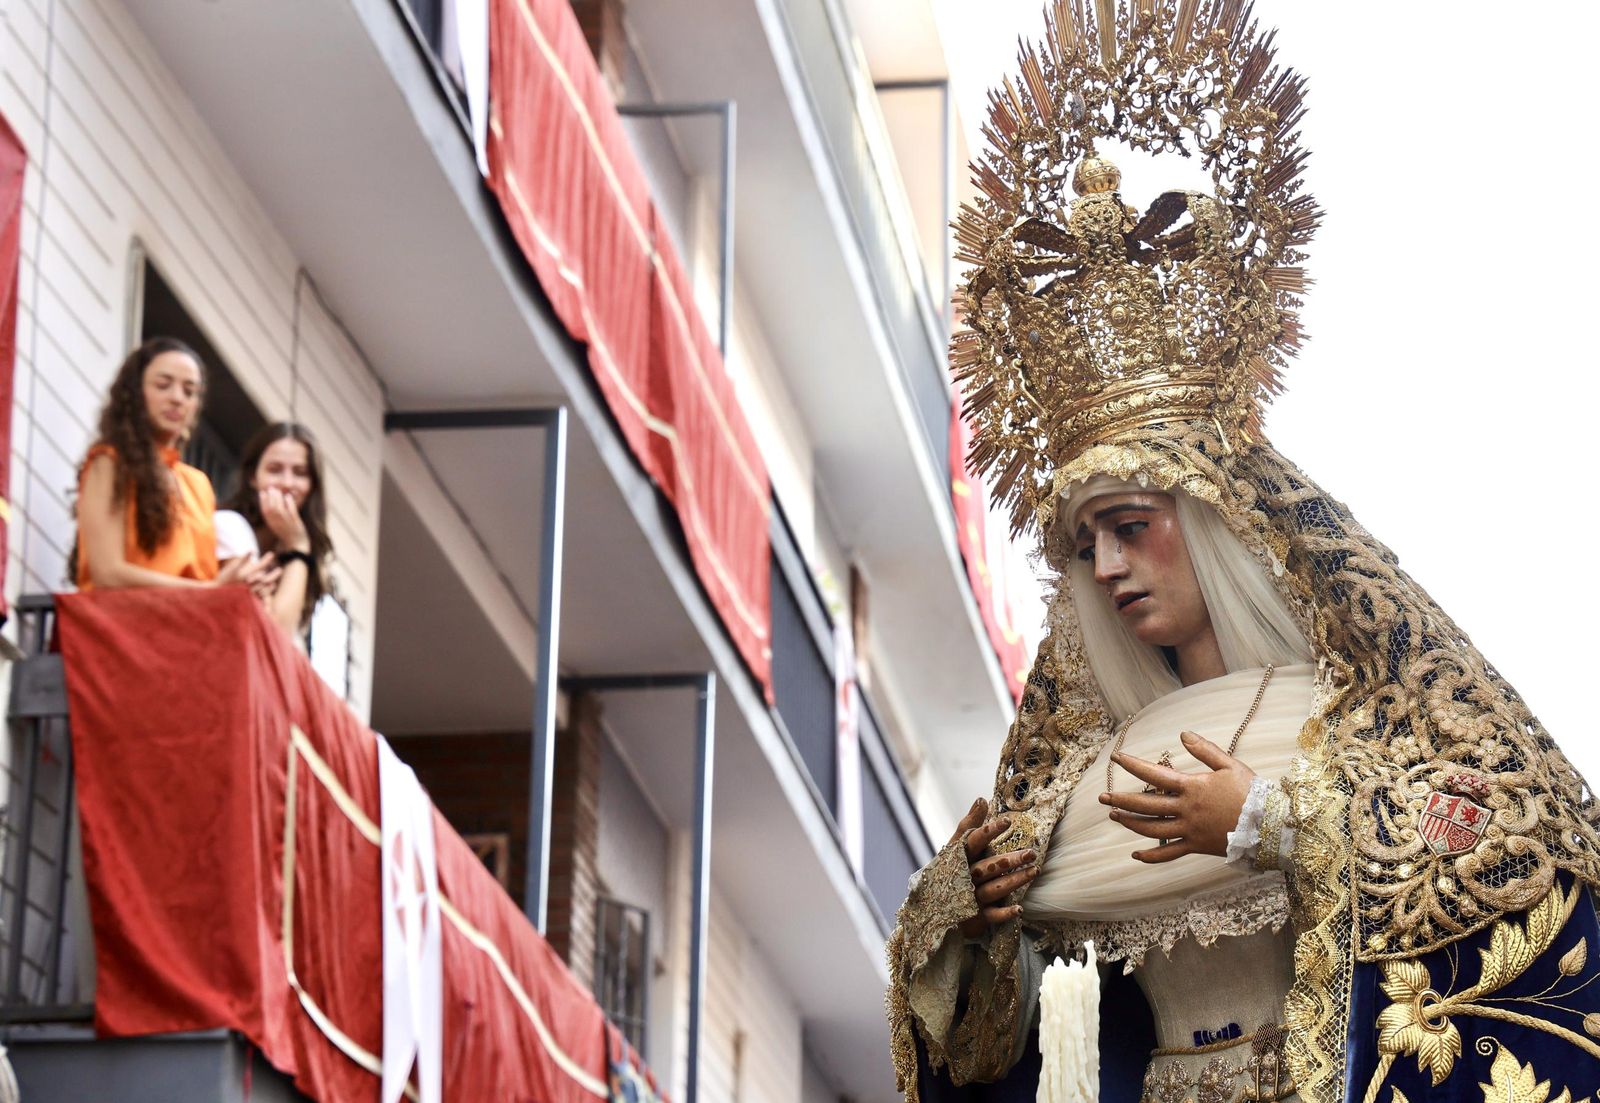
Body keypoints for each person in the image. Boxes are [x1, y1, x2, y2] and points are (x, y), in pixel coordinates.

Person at [885, 5, 1600, 1103]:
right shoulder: (1082, 774)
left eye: (1132, 524)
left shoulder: (1362, 717)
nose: (1109, 568)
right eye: (1085, 546)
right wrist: (972, 923)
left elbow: (1522, 829)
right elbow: (998, 1053)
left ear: (1217, 517)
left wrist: (1270, 820)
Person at [74, 337, 274, 596]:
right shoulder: (109, 462)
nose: (177, 398)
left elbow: (205, 580)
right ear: (134, 394)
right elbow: (107, 572)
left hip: (184, 627)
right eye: (163, 385)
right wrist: (209, 592)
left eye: (189, 392)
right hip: (122, 625)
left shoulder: (198, 484)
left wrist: (230, 588)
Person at [215, 421, 334, 638]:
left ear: (313, 486)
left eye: (300, 473)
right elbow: (277, 631)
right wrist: (297, 547)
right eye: (274, 470)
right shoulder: (229, 525)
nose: (287, 483)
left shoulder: (301, 560)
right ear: (253, 477)